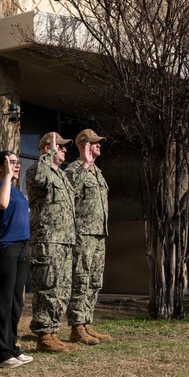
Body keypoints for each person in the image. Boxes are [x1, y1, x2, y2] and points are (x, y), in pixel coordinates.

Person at [27, 132, 77, 353]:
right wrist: (47, 156)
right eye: (61, 147)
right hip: (47, 240)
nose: (65, 150)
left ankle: (53, 332)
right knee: (47, 288)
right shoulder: (37, 170)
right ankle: (44, 336)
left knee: (62, 289)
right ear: (48, 149)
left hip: (64, 241)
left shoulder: (62, 176)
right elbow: (38, 177)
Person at [64, 129, 113, 343]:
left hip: (98, 234)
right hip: (82, 234)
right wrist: (84, 163)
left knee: (94, 281)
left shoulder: (97, 172)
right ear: (84, 145)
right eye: (95, 143)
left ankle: (86, 322)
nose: (99, 145)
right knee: (80, 279)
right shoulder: (74, 169)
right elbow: (69, 193)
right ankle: (76, 327)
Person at [0, 151, 33, 369]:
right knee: (4, 301)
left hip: (22, 248)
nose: (16, 166)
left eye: (17, 162)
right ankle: (0, 353)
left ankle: (12, 346)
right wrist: (6, 177)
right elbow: (2, 205)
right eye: (11, 162)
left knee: (16, 301)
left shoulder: (17, 191)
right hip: (5, 249)